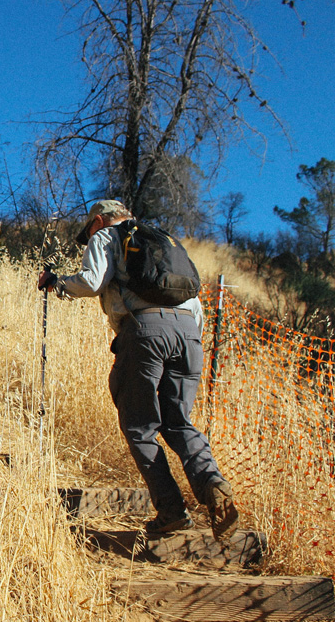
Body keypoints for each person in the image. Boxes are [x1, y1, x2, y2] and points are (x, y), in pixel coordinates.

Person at [37, 200, 239, 543]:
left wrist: (58, 284)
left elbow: (91, 281)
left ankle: (172, 510)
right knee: (179, 422)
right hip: (190, 336)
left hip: (145, 332)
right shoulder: (165, 241)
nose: (89, 240)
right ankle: (212, 484)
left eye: (88, 234)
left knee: (140, 426)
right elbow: (195, 301)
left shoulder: (108, 236)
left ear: (97, 221)